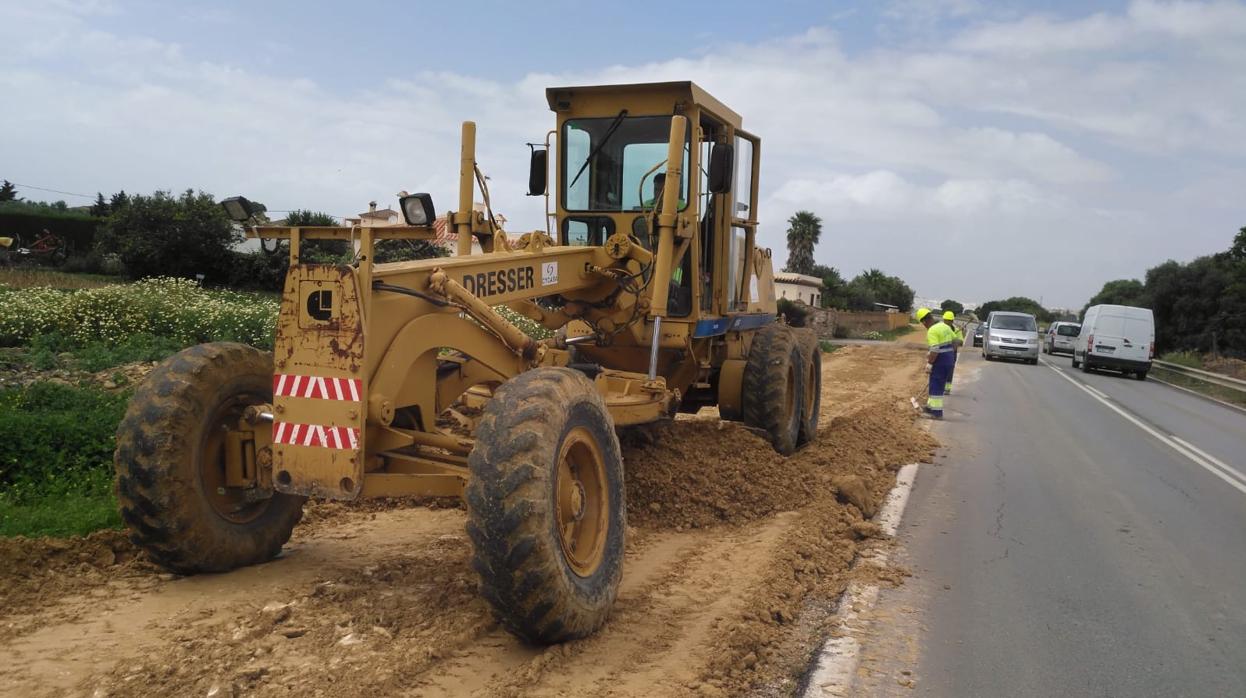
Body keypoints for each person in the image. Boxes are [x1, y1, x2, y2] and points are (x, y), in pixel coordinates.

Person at [916, 308, 956, 419]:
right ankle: (931, 407)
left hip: (941, 361)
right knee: (936, 384)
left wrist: (930, 363)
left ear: (924, 321)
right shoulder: (945, 326)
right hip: (949, 359)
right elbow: (955, 341)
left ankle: (936, 413)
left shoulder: (932, 331)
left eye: (922, 323)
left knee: (936, 385)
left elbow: (935, 349)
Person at [942, 310, 964, 394]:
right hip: (941, 352)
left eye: (948, 320)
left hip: (951, 353)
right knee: (940, 370)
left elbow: (961, 342)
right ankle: (940, 386)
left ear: (951, 321)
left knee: (949, 370)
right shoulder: (941, 329)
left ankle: (947, 388)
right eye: (945, 320)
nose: (946, 322)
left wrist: (955, 341)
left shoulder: (957, 330)